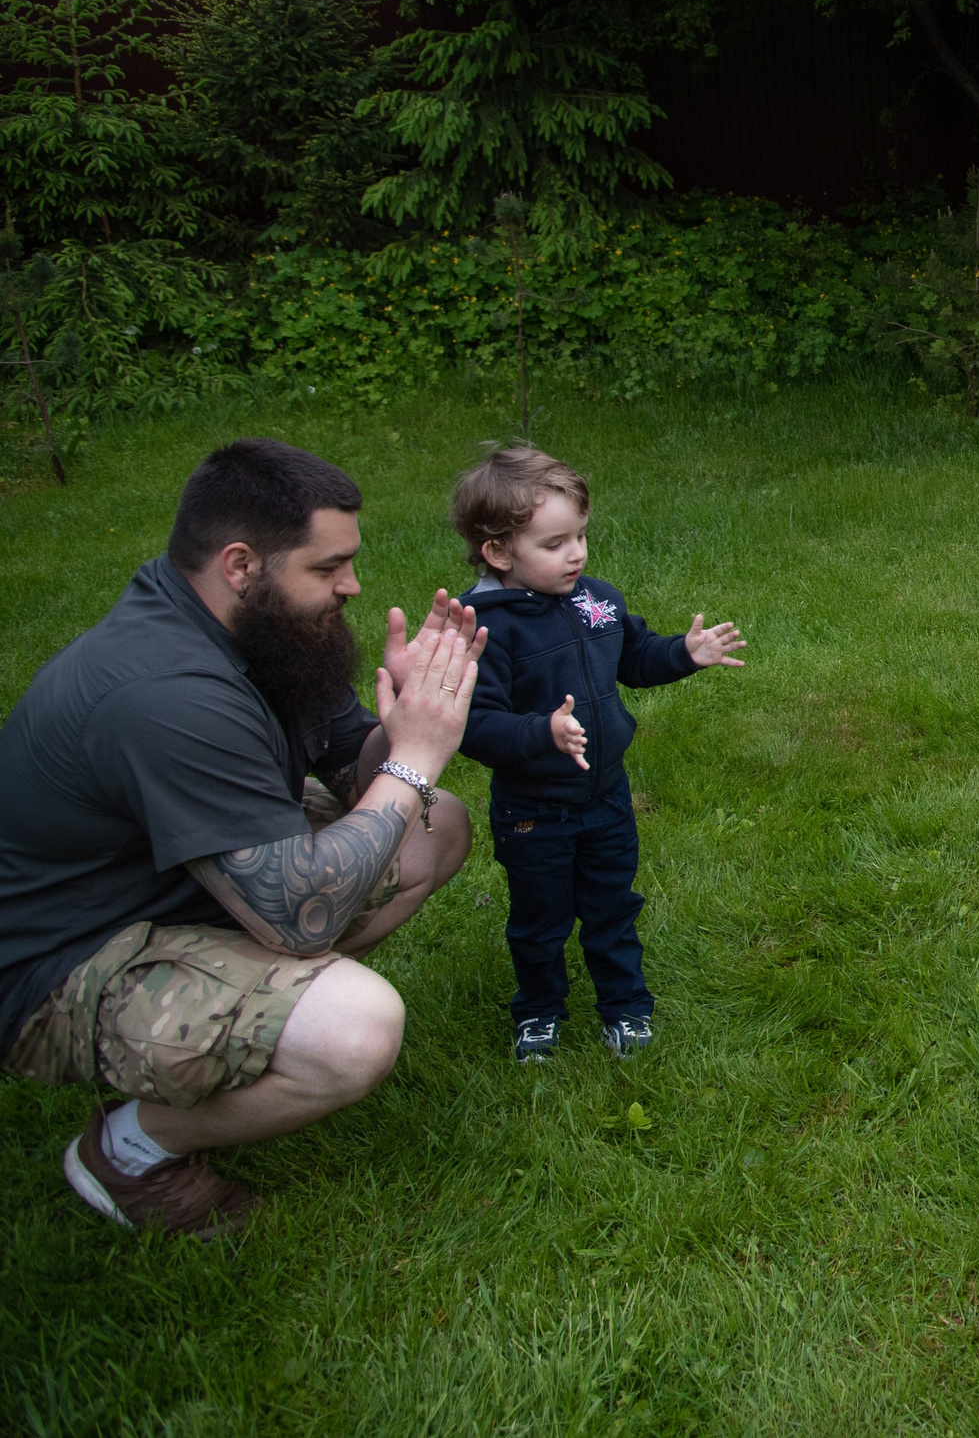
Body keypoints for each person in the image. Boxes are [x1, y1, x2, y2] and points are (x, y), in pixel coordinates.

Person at [0, 438, 481, 1239]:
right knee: (356, 1028)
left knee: (439, 824)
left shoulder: (265, 629)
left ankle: (247, 1024)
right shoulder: (166, 690)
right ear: (240, 564)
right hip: (58, 965)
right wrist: (417, 759)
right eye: (328, 567)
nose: (352, 585)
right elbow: (302, 915)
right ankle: (129, 1148)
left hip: (171, 886)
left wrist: (399, 730)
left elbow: (355, 771)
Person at [452, 448, 745, 1063]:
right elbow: (474, 726)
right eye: (555, 543)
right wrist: (541, 733)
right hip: (533, 812)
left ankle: (626, 1007)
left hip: (607, 798)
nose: (577, 554)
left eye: (581, 536)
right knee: (540, 921)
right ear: (498, 552)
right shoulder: (484, 628)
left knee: (614, 907)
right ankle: (538, 1013)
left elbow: (633, 659)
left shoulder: (597, 600)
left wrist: (683, 654)